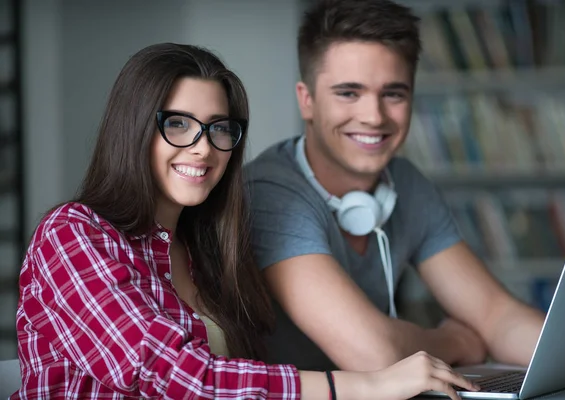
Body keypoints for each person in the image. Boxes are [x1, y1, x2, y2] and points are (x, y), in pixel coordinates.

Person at [13, 43, 480, 400]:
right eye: (178, 124)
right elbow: (177, 376)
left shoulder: (210, 250)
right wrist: (366, 385)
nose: (203, 147)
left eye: (219, 128)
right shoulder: (72, 234)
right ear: (133, 130)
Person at [244, 0, 565, 376]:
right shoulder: (270, 193)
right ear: (308, 100)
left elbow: (494, 314)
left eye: (393, 94)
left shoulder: (405, 183)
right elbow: (373, 353)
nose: (373, 116)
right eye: (349, 93)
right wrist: (456, 342)